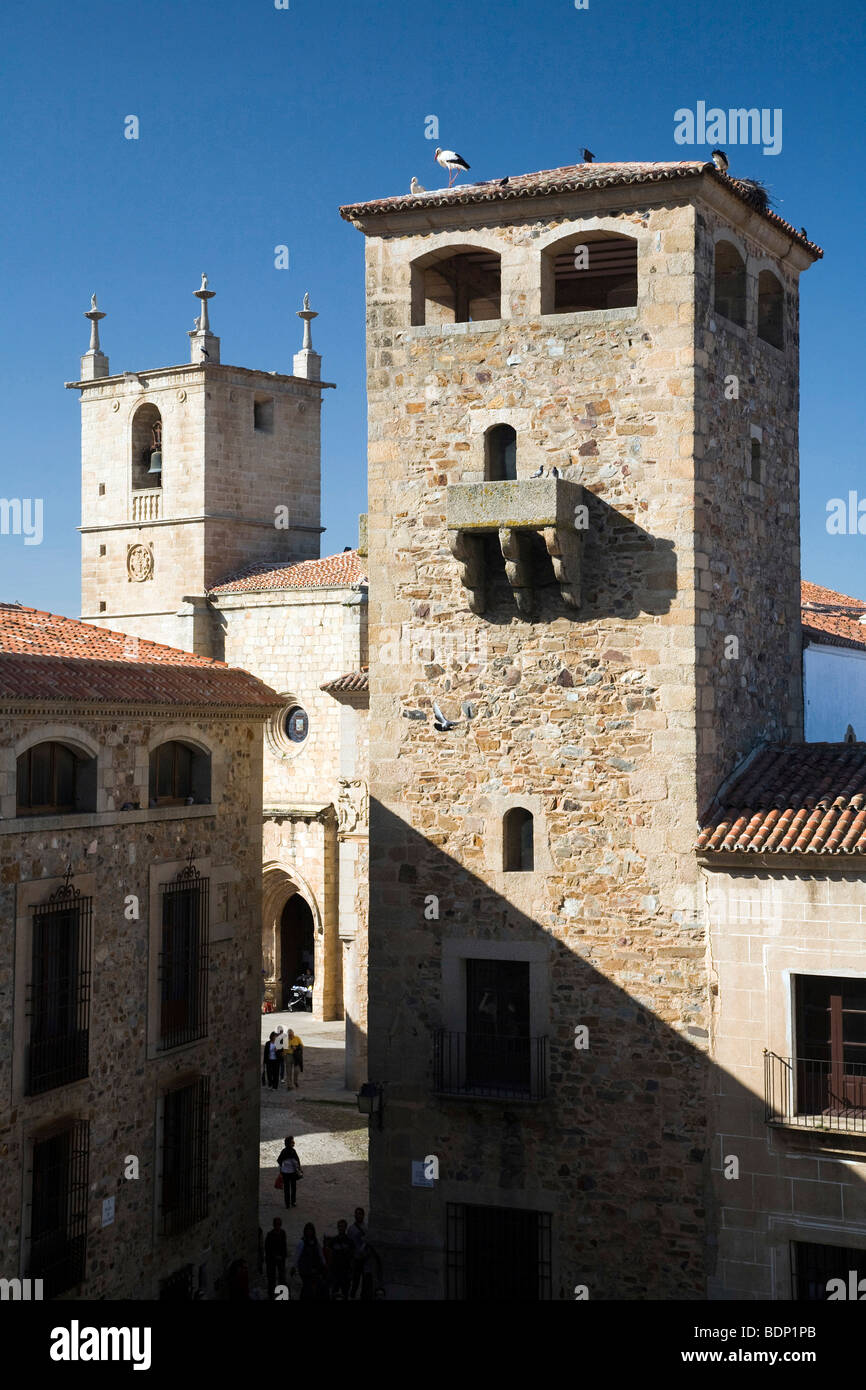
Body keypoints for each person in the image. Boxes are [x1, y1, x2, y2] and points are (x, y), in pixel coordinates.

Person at [291, 1222, 326, 1300]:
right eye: (308, 1230)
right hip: (305, 1269)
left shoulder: (316, 1242)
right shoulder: (302, 1242)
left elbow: (320, 1253)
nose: (309, 1232)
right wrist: (294, 1267)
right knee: (307, 1286)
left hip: (314, 1268)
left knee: (312, 1287)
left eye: (311, 1230)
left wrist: (324, 1264)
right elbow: (297, 1255)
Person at [326, 1218, 354, 1300]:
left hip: (345, 1271)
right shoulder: (333, 1241)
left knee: (345, 1293)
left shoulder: (350, 1242)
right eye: (340, 1226)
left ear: (345, 1228)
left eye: (342, 1226)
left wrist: (351, 1272)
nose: (341, 1228)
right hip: (335, 1271)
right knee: (334, 1293)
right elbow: (329, 1256)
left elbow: (352, 1257)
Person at [276, 1135, 302, 1208]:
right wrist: (299, 1169)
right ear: (290, 1143)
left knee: (286, 1189)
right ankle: (293, 1202)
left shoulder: (284, 1151)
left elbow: (279, 1160)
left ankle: (287, 1204)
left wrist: (283, 1166)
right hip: (293, 1173)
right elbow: (297, 1162)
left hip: (285, 1173)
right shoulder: (293, 1151)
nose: (293, 1142)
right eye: (292, 1141)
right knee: (293, 1188)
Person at [264, 1216, 287, 1299]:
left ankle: (282, 1295)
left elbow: (284, 1246)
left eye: (279, 1224)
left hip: (280, 1259)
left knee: (282, 1278)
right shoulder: (270, 1235)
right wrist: (275, 1256)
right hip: (272, 1260)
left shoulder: (282, 1233)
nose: (278, 1226)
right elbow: (268, 1248)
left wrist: (283, 1256)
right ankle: (271, 1294)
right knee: (272, 1279)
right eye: (276, 1224)